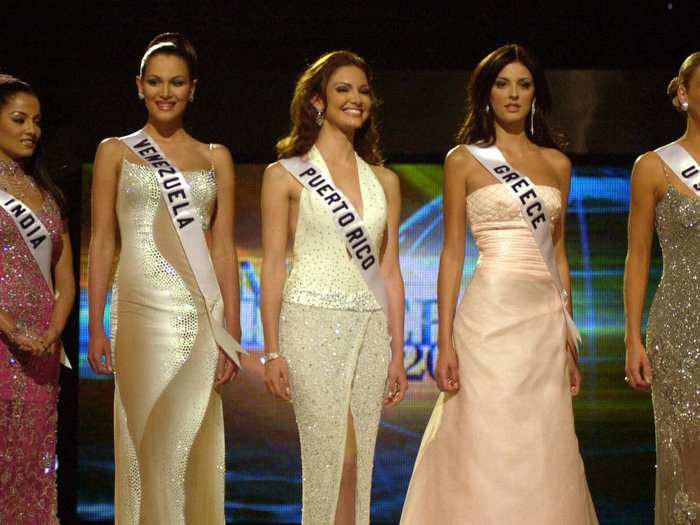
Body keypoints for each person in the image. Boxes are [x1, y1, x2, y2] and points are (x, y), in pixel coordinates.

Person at [400, 44, 598, 524]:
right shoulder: (464, 160)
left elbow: (559, 253)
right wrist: (445, 341)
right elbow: (451, 254)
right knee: (483, 436)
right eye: (502, 83)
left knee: (542, 441)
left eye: (524, 84)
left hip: (544, 324)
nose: (513, 94)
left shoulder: (557, 165)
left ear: (536, 95)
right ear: (486, 93)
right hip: (489, 316)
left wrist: (571, 342)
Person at [88, 33, 241, 524]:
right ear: (139, 86)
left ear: (193, 89)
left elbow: (222, 248)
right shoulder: (115, 151)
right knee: (142, 441)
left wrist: (230, 332)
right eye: (155, 82)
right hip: (135, 315)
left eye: (177, 82)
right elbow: (103, 243)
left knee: (190, 443)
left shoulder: (217, 157)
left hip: (198, 320)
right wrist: (95, 324)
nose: (165, 92)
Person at [260, 50, 408, 525]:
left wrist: (399, 353)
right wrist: (272, 351)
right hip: (310, 324)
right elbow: (274, 267)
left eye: (363, 91)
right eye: (343, 89)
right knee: (332, 460)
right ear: (319, 101)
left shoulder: (385, 180)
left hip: (370, 331)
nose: (356, 99)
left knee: (357, 466)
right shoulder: (285, 175)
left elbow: (389, 271)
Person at [624, 51, 700, 524]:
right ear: (683, 94)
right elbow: (638, 257)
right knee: (690, 462)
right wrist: (632, 337)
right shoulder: (653, 166)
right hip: (680, 326)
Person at [0, 74, 75, 524]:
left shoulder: (47, 197)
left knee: (33, 459)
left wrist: (51, 331)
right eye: (19, 119)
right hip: (3, 339)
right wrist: (12, 329)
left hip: (42, 352)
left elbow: (64, 276)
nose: (31, 129)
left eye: (37, 121)